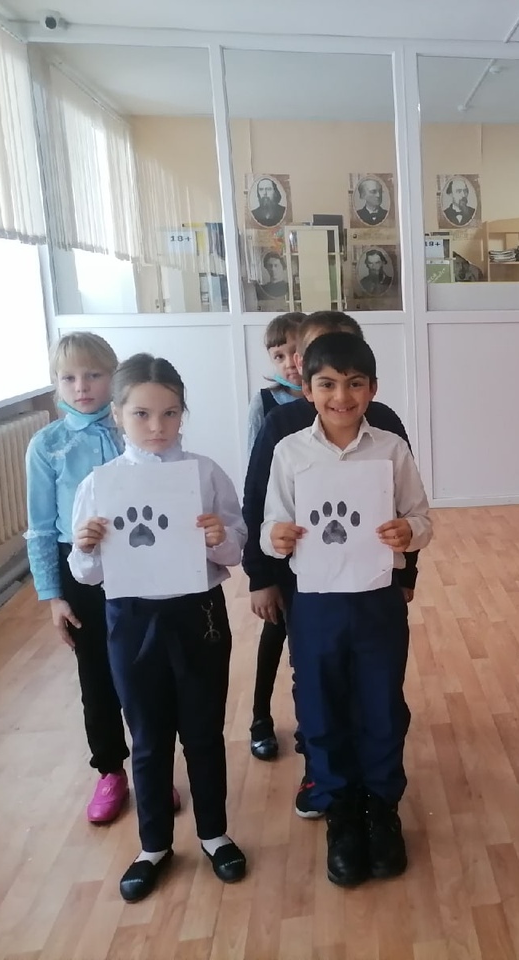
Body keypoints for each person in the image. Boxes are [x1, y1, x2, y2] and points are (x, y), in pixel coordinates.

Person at [70, 354, 248, 903]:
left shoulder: (204, 473)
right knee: (147, 737)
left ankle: (214, 834)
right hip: (131, 619)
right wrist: (86, 547)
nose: (157, 427)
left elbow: (236, 550)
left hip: (199, 615)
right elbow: (87, 574)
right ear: (118, 415)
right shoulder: (100, 484)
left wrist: (219, 536)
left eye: (170, 413)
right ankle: (153, 845)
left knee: (203, 730)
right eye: (142, 414)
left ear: (182, 413)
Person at [261, 332, 432, 888]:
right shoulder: (290, 452)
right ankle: (340, 810)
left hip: (378, 599)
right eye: (328, 384)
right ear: (307, 389)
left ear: (373, 389)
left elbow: (422, 518)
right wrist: (276, 538)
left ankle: (380, 807)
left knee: (382, 703)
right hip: (314, 603)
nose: (342, 396)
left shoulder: (391, 449)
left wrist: (409, 532)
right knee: (320, 706)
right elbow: (269, 526)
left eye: (355, 384)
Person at [25, 332, 131, 824]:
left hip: (138, 558)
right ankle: (110, 769)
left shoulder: (135, 427)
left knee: (143, 670)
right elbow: (41, 527)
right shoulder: (47, 446)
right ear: (56, 384)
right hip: (80, 567)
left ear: (113, 377)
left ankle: (152, 765)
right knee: (96, 672)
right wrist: (53, 596)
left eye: (93, 375)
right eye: (68, 378)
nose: (81, 387)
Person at [245, 312, 308, 761]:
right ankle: (259, 718)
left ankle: (313, 720)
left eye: (296, 352)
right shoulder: (265, 404)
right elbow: (256, 484)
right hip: (278, 536)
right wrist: (260, 573)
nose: (289, 363)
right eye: (279, 355)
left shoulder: (335, 399)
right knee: (275, 630)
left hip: (323, 533)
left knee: (311, 637)